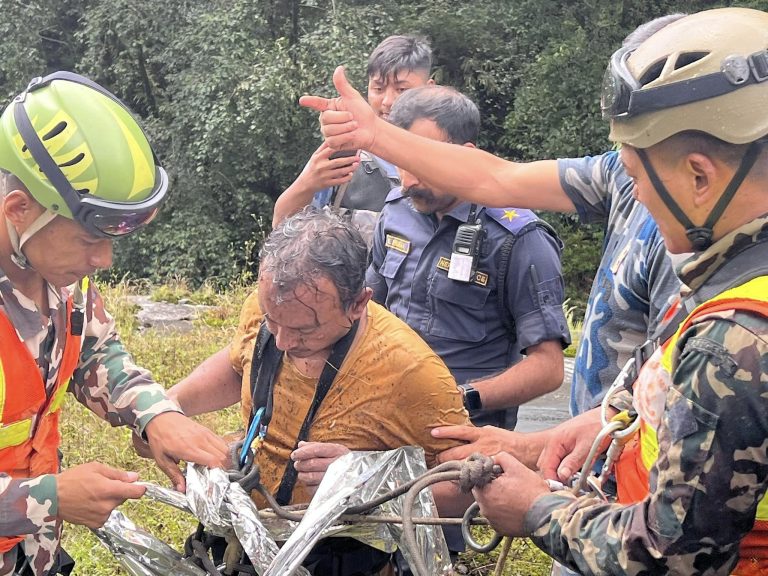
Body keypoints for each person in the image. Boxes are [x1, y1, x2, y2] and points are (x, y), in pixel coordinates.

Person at [302, 6, 768, 572]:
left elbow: (667, 554)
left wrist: (536, 509)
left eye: (641, 176)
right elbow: (495, 177)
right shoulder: (726, 263)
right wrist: (375, 134)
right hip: (608, 483)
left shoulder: (737, 338)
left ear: (700, 174)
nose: (634, 196)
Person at [0, 72, 229, 576]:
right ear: (19, 210)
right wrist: (49, 499)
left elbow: (96, 355)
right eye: (88, 240)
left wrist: (157, 415)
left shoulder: (57, 273)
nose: (103, 260)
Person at [165, 208, 473, 575]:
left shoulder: (413, 371)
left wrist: (365, 483)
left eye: (305, 331)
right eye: (271, 322)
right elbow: (239, 365)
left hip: (336, 555)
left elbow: (466, 486)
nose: (281, 342)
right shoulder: (276, 305)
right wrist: (171, 406)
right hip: (241, 535)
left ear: (357, 304)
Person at [368, 84, 569, 430]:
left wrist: (460, 398)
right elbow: (368, 311)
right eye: (403, 162)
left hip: (465, 435)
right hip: (385, 418)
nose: (409, 180)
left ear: (466, 154)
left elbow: (548, 368)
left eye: (424, 161)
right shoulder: (395, 213)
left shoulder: (517, 238)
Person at [272, 34, 434, 242]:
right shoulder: (347, 153)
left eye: (402, 89)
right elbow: (282, 227)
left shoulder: (446, 158)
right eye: (378, 88)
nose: (387, 101)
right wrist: (308, 183)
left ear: (429, 88)